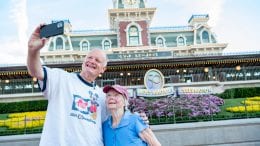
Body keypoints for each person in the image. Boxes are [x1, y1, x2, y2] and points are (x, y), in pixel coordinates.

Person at [27, 24, 149, 146]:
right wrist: (33, 50)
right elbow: (36, 71)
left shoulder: (103, 96)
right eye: (89, 57)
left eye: (97, 60)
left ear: (103, 69)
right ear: (83, 62)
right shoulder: (61, 79)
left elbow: (117, 119)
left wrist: (138, 119)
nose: (92, 61)